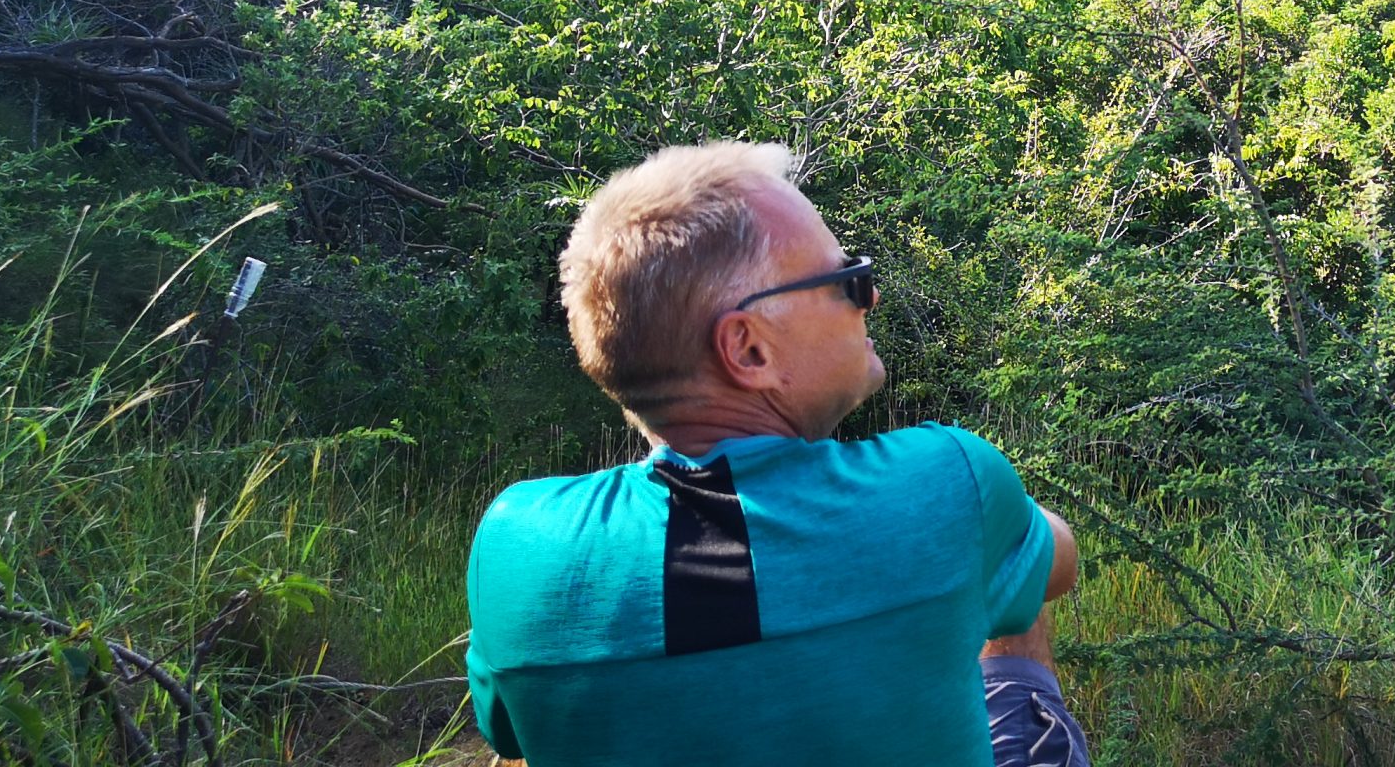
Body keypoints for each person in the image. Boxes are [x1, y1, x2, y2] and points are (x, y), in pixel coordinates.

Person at [464, 141, 1092, 766]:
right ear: (748, 349)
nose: (870, 298)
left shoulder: (514, 542)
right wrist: (987, 516)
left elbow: (507, 738)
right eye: (847, 282)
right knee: (1002, 582)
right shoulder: (950, 478)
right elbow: (1056, 563)